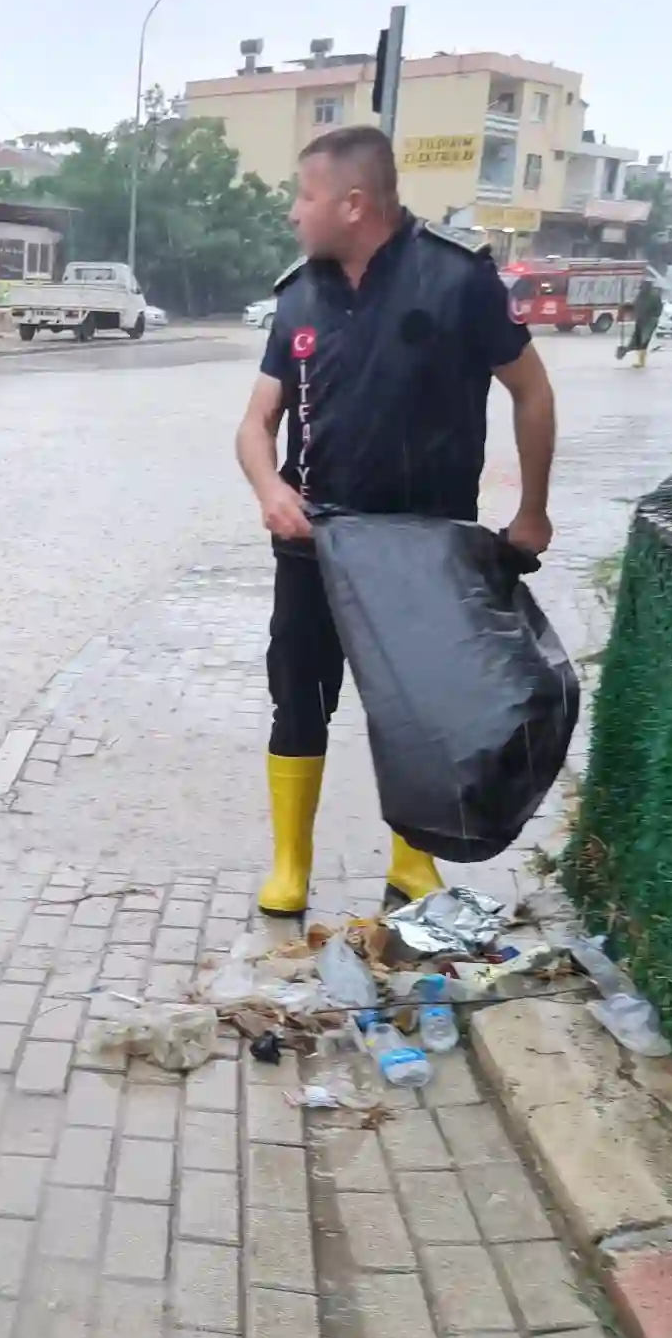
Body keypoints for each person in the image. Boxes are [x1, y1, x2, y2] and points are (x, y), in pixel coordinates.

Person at [233, 125, 558, 917]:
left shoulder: (457, 280)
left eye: (303, 198)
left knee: (422, 706)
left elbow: (533, 392)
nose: (293, 215)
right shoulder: (299, 294)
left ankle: (413, 866)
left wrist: (532, 510)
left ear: (352, 203)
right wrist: (270, 487)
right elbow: (255, 424)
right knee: (299, 699)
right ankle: (290, 865)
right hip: (318, 545)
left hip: (427, 551)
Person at [626, 277, 664, 368]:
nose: (642, 289)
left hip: (650, 320)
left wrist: (652, 316)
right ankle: (631, 352)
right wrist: (628, 307)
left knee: (644, 339)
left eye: (643, 287)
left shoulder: (654, 296)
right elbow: (636, 306)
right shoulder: (641, 295)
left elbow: (656, 308)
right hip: (641, 320)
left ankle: (641, 362)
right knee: (637, 340)